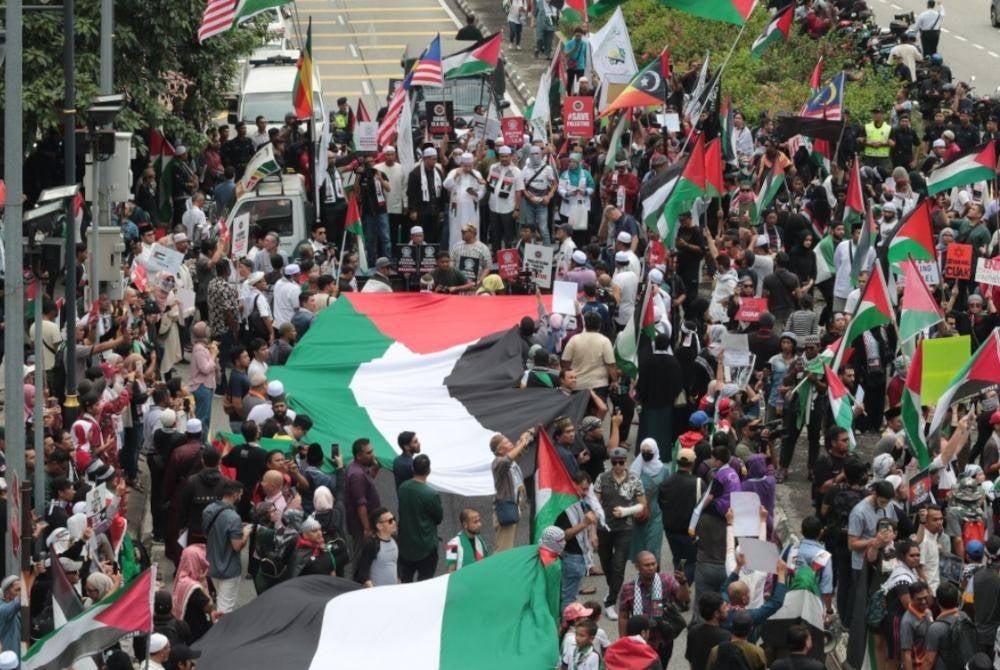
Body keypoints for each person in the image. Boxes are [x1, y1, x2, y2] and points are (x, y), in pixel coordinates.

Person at [595, 446, 647, 621]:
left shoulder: (634, 479)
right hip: (604, 527)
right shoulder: (602, 478)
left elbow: (642, 505)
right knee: (606, 563)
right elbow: (595, 503)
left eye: (621, 462)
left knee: (619, 564)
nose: (618, 466)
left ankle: (610, 602)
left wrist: (626, 511)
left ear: (626, 462)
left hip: (624, 527)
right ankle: (613, 588)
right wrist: (591, 532)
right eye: (614, 462)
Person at [617, 550, 689, 666]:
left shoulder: (666, 580)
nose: (651, 568)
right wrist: (623, 640)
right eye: (647, 565)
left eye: (653, 564)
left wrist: (683, 583)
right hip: (638, 641)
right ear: (637, 567)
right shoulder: (628, 588)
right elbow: (623, 616)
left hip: (662, 641)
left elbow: (683, 599)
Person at [202, 478, 251, 614]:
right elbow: (237, 546)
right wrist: (245, 533)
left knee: (220, 601)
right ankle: (221, 633)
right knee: (225, 609)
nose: (240, 496)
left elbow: (210, 533)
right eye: (240, 494)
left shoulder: (208, 510)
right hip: (229, 568)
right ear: (235, 494)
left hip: (212, 565)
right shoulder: (233, 517)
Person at [555, 471, 599, 612]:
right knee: (568, 599)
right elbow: (563, 535)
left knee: (569, 596)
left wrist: (592, 533)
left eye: (588, 489)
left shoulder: (580, 502)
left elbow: (591, 516)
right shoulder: (564, 507)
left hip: (580, 557)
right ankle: (565, 628)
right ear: (573, 485)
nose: (586, 493)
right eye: (583, 489)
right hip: (571, 557)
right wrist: (585, 524)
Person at [396, 454, 443, 582]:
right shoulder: (431, 494)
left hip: (406, 546)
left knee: (406, 582)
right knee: (425, 582)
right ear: (428, 471)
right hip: (426, 546)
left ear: (412, 469)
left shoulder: (403, 488)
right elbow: (439, 518)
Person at [489, 429, 533, 552]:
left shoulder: (511, 462)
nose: (510, 443)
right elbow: (509, 458)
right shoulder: (498, 463)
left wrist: (527, 435)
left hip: (514, 508)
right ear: (500, 450)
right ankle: (499, 570)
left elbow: (518, 451)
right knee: (503, 548)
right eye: (507, 442)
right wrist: (522, 443)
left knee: (509, 545)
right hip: (506, 509)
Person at [345, 438, 381, 543]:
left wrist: (376, 468)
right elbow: (361, 504)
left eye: (372, 451)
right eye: (369, 452)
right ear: (359, 455)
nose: (373, 455)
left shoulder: (357, 466)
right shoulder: (357, 475)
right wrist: (367, 528)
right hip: (361, 526)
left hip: (363, 522)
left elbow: (367, 482)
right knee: (362, 554)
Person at [354, 507, 399, 587]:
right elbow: (363, 572)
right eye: (390, 521)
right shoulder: (371, 544)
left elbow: (396, 564)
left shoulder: (395, 540)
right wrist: (373, 591)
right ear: (379, 526)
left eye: (394, 519)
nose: (394, 522)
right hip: (378, 594)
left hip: (393, 591)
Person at [686, 592, 732, 670]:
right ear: (716, 614)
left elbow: (691, 661)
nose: (728, 608)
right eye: (724, 607)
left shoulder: (693, 631)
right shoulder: (726, 637)